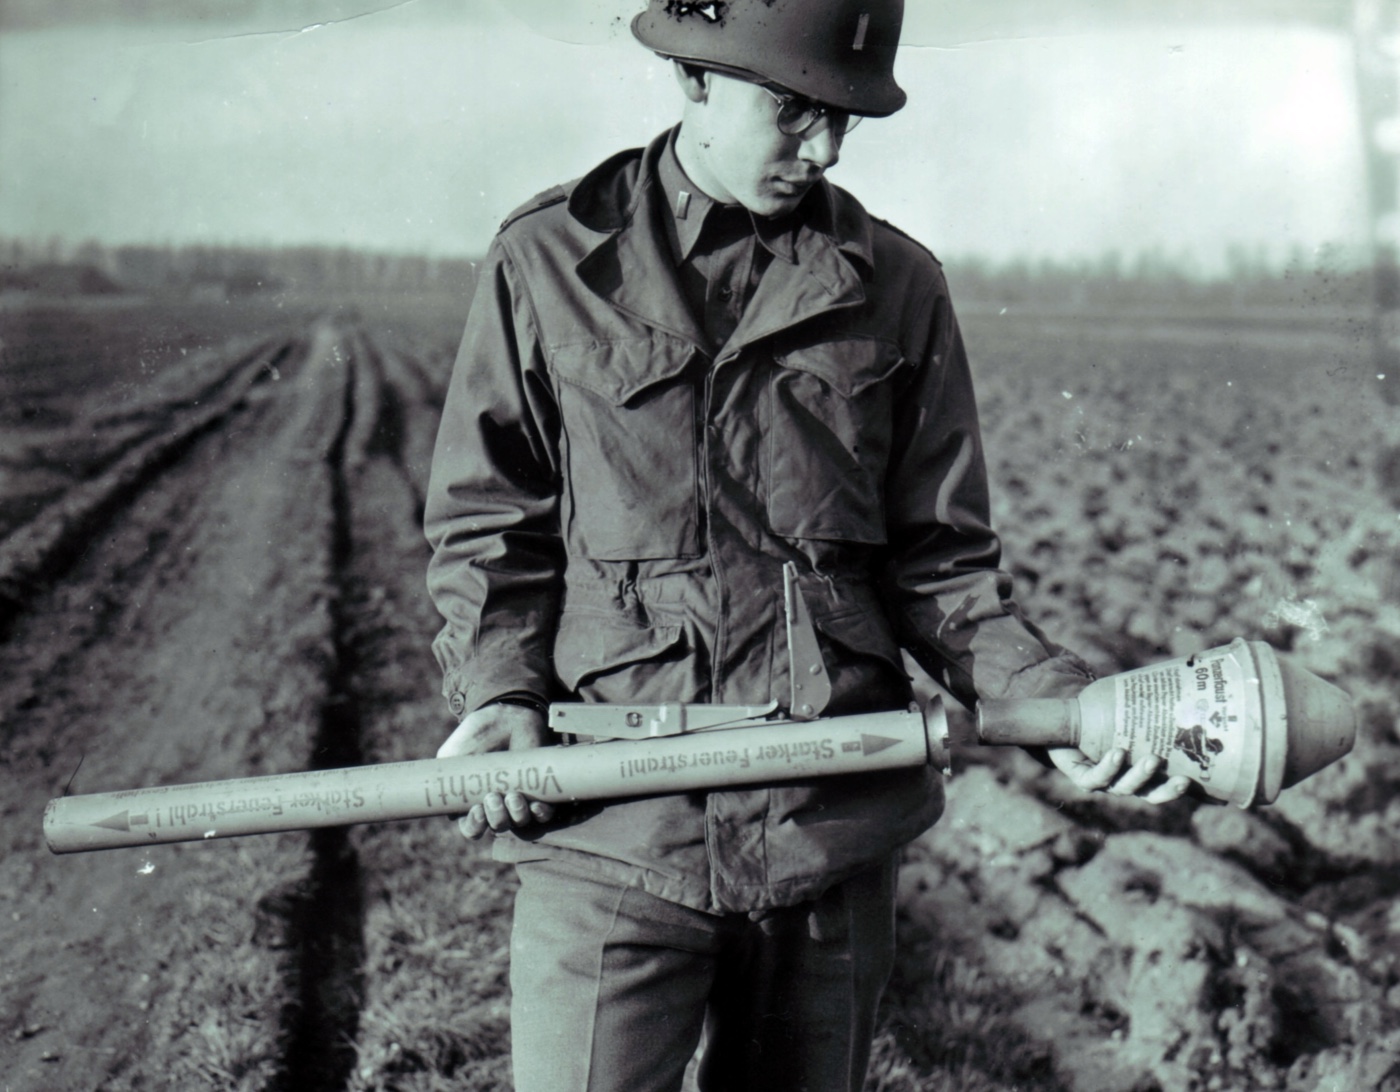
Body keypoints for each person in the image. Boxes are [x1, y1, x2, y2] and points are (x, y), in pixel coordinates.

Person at [425, 2, 1189, 1088]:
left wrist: (1052, 699)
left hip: (823, 839)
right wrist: (498, 695)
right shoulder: (548, 262)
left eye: (844, 121)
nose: (823, 149)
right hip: (611, 830)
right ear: (693, 79)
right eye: (792, 113)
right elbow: (489, 521)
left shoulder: (897, 287)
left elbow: (939, 562)